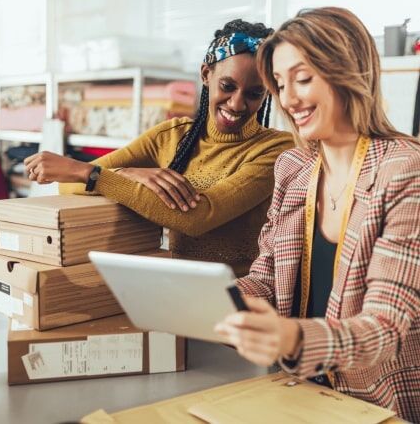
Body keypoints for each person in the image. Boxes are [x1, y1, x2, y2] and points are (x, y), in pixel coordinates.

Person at [215, 7, 420, 421]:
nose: (288, 100)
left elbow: (384, 328)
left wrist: (289, 337)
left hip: (377, 405)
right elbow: (267, 279)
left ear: (348, 72)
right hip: (297, 391)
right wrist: (216, 299)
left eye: (303, 79)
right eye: (280, 83)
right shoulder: (294, 168)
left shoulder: (405, 171)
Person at [24, 19, 294, 277]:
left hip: (242, 300)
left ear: (267, 92)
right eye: (227, 86)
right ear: (205, 74)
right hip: (177, 292)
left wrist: (96, 175)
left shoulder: (276, 149)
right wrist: (126, 172)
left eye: (254, 93)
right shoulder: (172, 135)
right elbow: (69, 185)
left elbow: (199, 217)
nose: (236, 104)